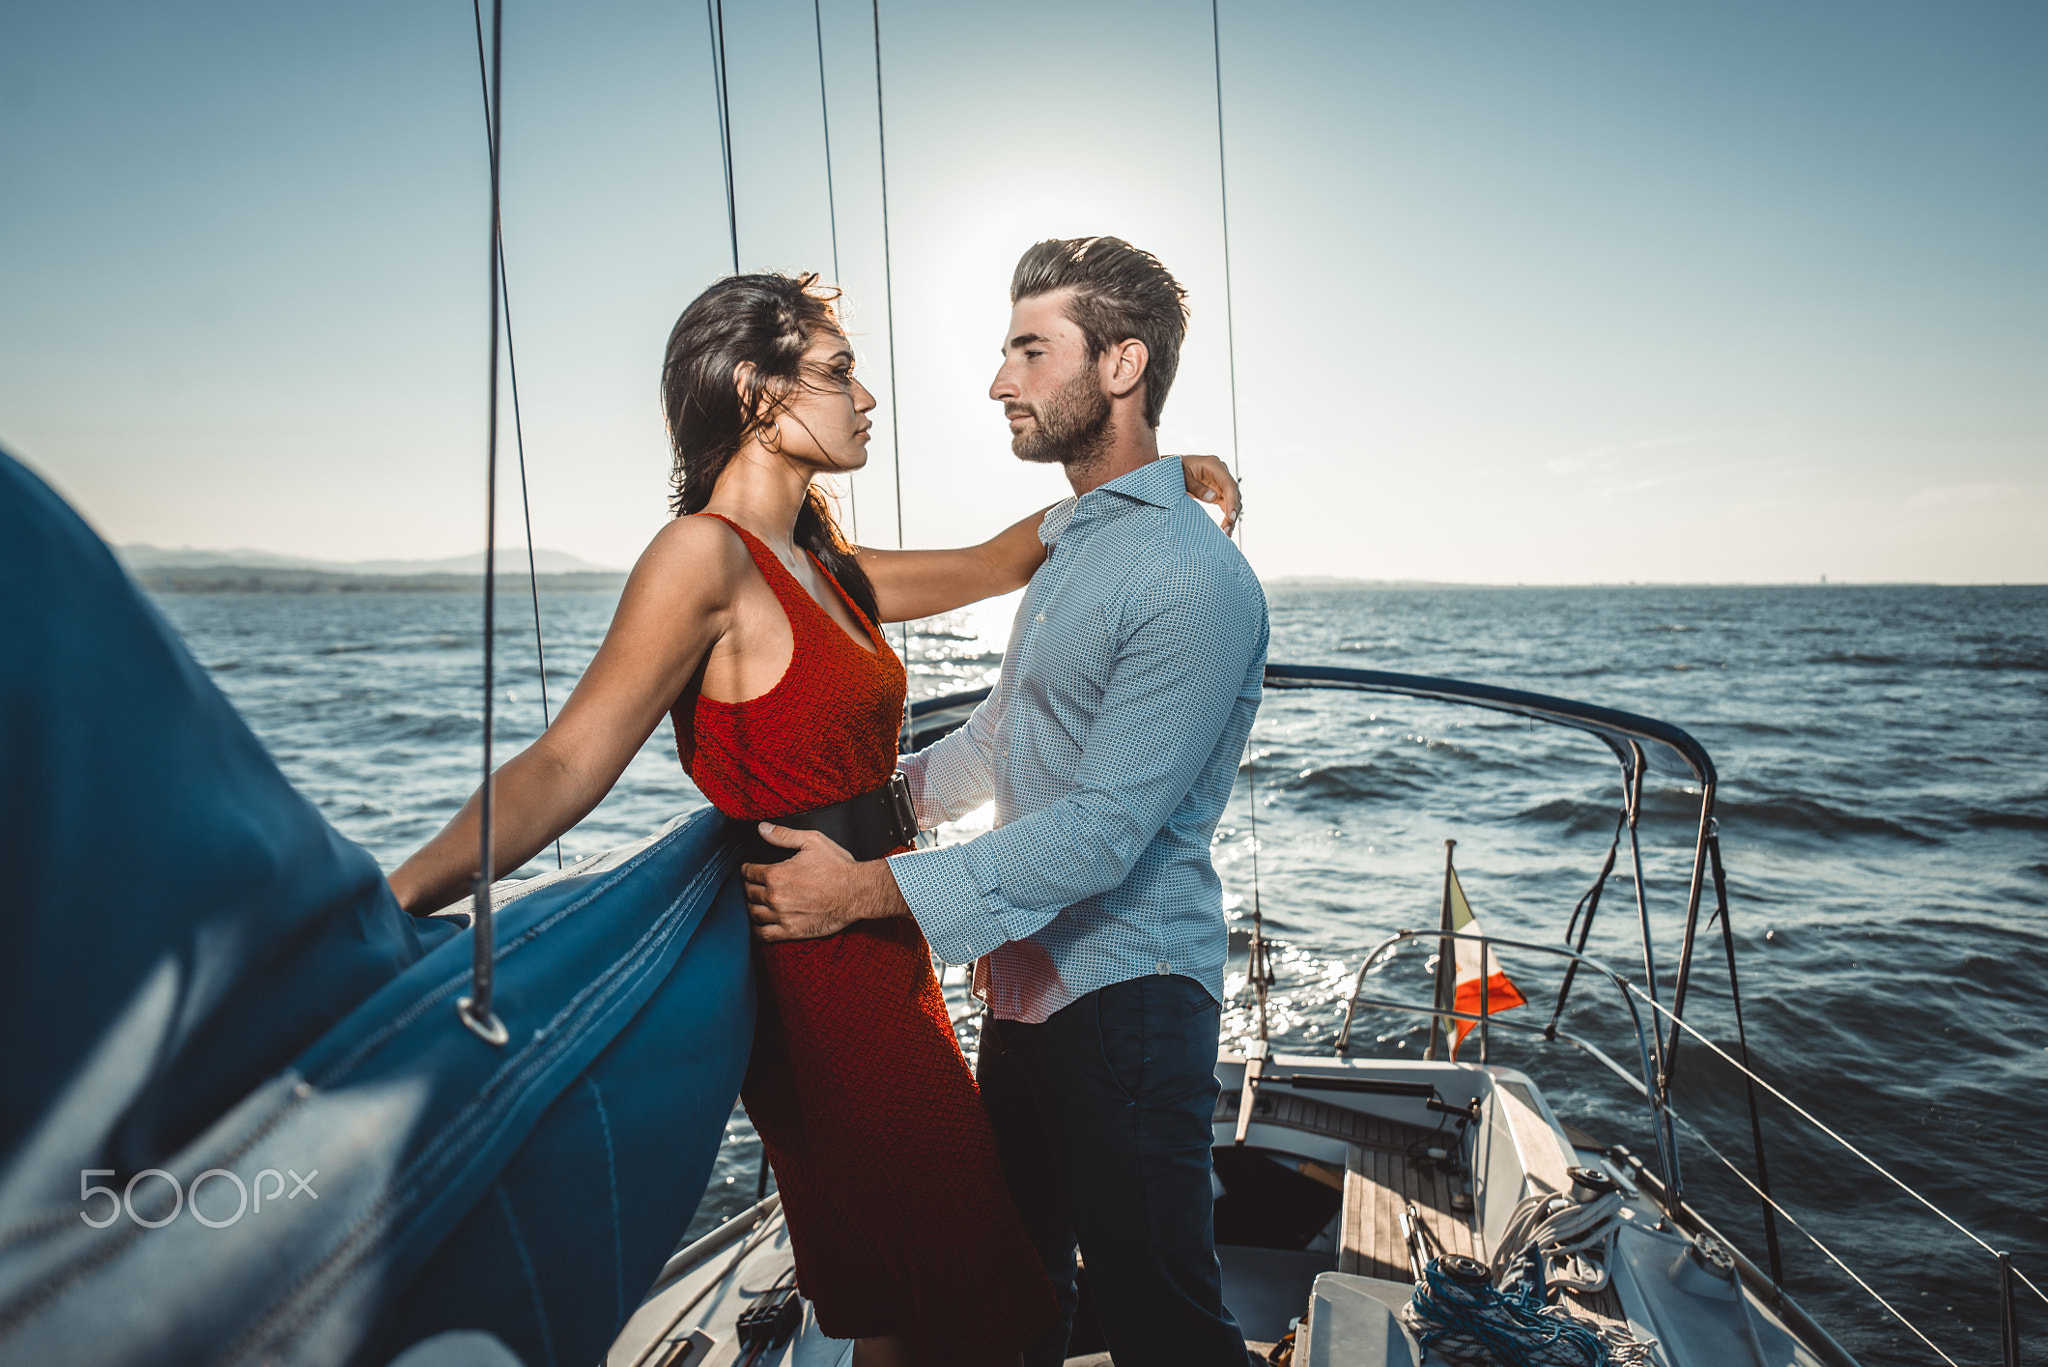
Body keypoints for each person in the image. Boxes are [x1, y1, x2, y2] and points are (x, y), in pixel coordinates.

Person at [387, 271, 1241, 1367]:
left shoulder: (821, 565)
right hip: (819, 962)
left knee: (910, 1291)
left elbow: (993, 560)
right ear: (755, 390)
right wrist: (395, 895)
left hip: (880, 940)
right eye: (839, 372)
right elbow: (564, 762)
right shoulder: (702, 558)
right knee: (964, 1289)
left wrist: (1160, 478)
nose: (866, 396)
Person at [744, 238, 1270, 1367]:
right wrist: (862, 812)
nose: (998, 382)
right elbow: (997, 737)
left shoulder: (1186, 574)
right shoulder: (1083, 542)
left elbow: (1099, 833)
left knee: (1163, 1327)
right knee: (1018, 1305)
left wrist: (859, 893)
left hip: (1126, 1001)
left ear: (1119, 364)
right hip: (1028, 991)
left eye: (1031, 351)